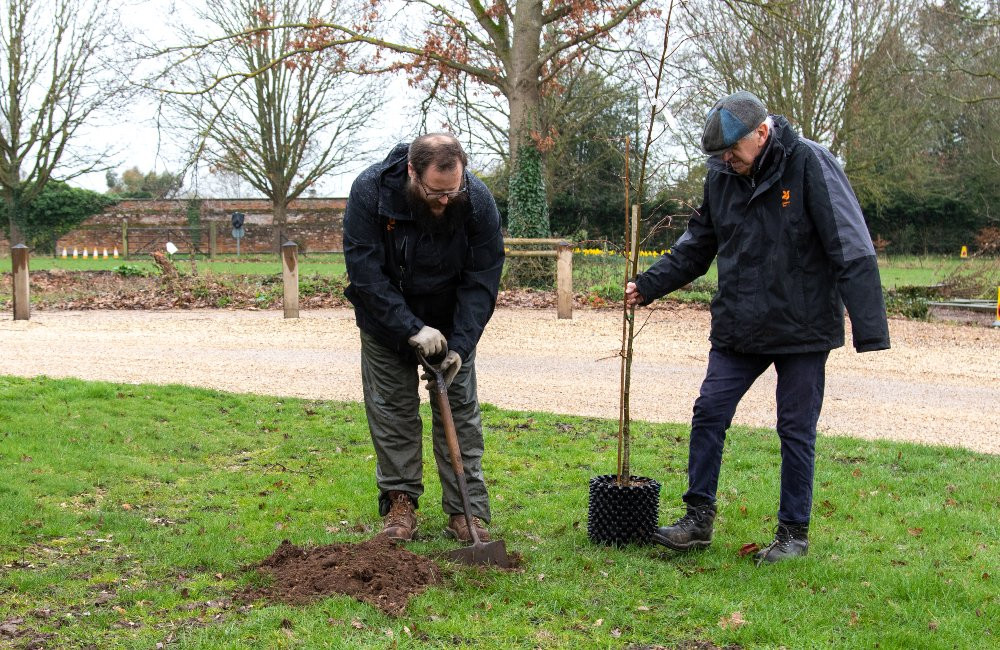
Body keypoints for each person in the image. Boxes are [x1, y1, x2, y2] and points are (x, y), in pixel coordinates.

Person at [626, 91, 890, 564]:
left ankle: (793, 534)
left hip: (802, 326)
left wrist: (870, 330)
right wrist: (647, 285)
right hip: (740, 324)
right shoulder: (721, 177)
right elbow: (696, 246)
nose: (727, 161)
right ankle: (697, 519)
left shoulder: (810, 163)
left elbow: (849, 243)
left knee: (795, 429)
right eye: (720, 156)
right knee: (709, 410)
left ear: (762, 133)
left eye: (733, 151)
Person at [343, 133, 505, 544]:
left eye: (454, 190)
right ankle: (400, 505)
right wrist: (410, 327)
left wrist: (461, 347)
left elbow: (482, 280)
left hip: (451, 321)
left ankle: (466, 512)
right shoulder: (371, 192)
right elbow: (364, 272)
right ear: (412, 172)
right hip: (386, 319)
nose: (445, 200)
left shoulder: (477, 200)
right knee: (392, 411)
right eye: (436, 192)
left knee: (461, 412)